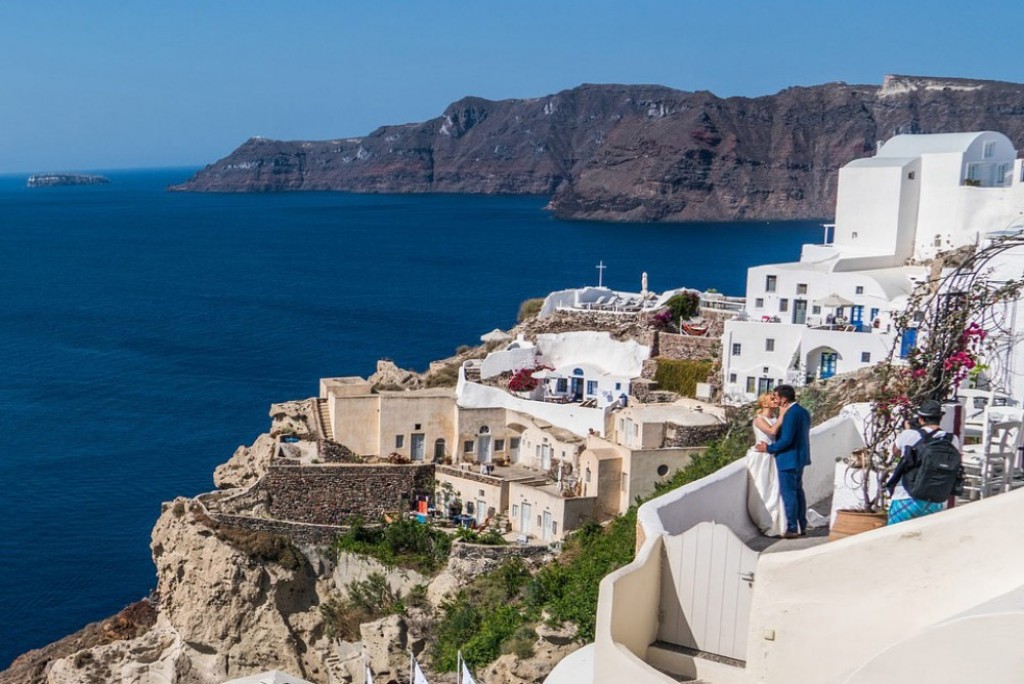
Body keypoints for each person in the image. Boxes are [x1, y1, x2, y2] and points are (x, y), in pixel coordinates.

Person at [885, 399, 961, 525]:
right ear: (940, 418)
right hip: (934, 501)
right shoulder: (952, 439)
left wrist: (908, 429)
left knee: (892, 539)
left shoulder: (908, 435)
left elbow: (896, 452)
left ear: (920, 419)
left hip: (905, 497)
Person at [755, 384, 811, 538]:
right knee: (799, 492)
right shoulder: (803, 412)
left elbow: (786, 439)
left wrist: (769, 448)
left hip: (788, 459)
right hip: (800, 458)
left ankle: (792, 528)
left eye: (776, 397)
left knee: (789, 494)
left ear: (784, 399)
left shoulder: (790, 414)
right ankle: (802, 524)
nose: (775, 399)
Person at [746, 392, 788, 536]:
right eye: (772, 399)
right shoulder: (759, 419)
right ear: (764, 403)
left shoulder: (776, 419)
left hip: (773, 456)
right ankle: (766, 521)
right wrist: (783, 415)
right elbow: (771, 431)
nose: (775, 401)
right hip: (761, 458)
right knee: (763, 489)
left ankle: (777, 521)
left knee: (775, 490)